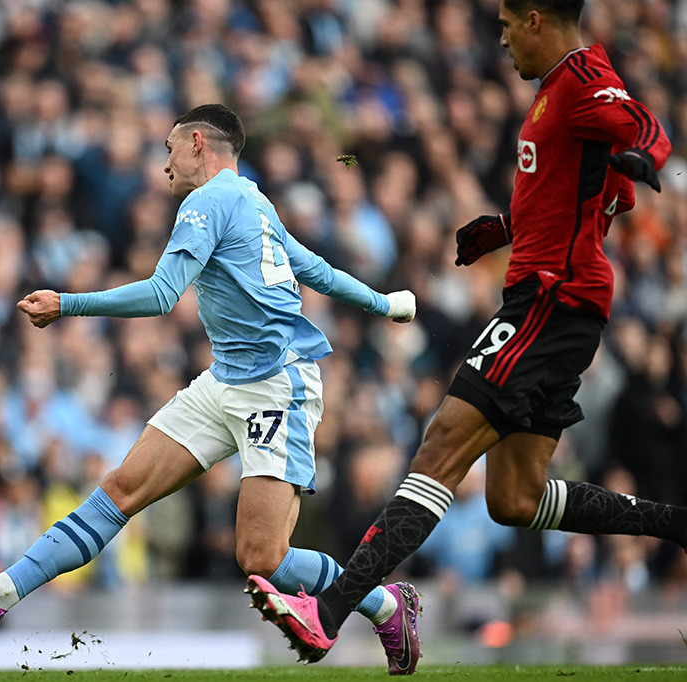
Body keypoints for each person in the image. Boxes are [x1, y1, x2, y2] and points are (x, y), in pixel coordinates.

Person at [243, 0, 682, 669]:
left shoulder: (584, 80)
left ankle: (330, 612)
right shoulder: (555, 91)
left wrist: (648, 154)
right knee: (515, 498)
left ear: (537, 18)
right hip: (558, 299)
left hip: (550, 300)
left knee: (444, 440)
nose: (501, 42)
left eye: (507, 27)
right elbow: (583, 191)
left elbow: (644, 124)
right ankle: (673, 523)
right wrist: (506, 228)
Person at [0, 103, 421, 672]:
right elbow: (317, 271)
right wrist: (384, 303)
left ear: (199, 143)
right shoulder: (256, 202)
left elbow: (163, 295)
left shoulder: (207, 201)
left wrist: (68, 303)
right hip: (225, 379)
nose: (166, 163)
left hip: (276, 387)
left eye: (170, 148)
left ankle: (383, 603)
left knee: (262, 557)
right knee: (122, 487)